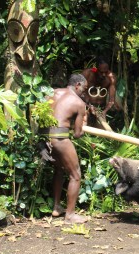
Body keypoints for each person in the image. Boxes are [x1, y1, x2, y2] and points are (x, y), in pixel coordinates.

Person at [40, 74, 88, 224]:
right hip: (60, 138)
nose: (84, 93)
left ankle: (56, 207)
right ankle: (70, 215)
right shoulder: (79, 103)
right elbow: (78, 133)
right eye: (84, 89)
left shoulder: (52, 92)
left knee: (60, 169)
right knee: (76, 175)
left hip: (44, 138)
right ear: (78, 85)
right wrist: (83, 123)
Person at [81, 58, 119, 131]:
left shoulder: (111, 77)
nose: (104, 74)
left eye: (106, 71)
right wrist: (88, 106)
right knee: (83, 128)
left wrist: (105, 111)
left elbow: (111, 100)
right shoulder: (87, 74)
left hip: (101, 109)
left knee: (101, 131)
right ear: (96, 69)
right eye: (101, 72)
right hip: (86, 106)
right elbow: (79, 92)